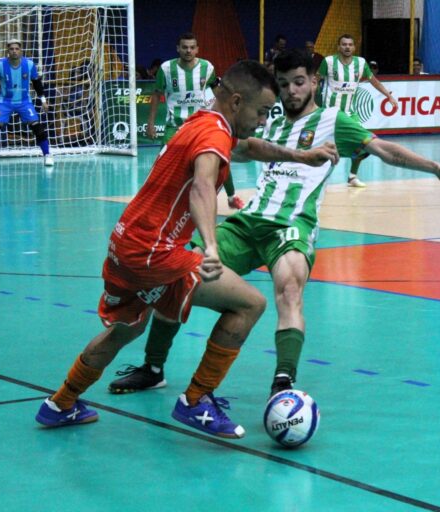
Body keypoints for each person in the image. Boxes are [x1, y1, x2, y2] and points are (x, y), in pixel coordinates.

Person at [107, 49, 440, 399]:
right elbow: (238, 148)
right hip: (248, 222)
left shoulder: (334, 121)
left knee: (289, 289)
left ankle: (283, 385)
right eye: (283, 84)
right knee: (178, 280)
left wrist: (435, 168)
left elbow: (383, 149)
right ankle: (153, 368)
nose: (291, 91)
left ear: (314, 81)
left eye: (298, 82)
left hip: (292, 225)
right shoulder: (269, 120)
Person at [34, 59, 340, 436]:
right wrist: (210, 245)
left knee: (126, 329)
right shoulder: (213, 138)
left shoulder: (202, 121)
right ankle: (196, 400)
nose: (263, 120)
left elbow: (249, 147)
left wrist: (300, 156)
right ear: (236, 102)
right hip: (155, 252)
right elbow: (202, 186)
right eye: (261, 111)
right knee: (250, 304)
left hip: (125, 244)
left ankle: (60, 403)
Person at [147, 33, 244, 209]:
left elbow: (217, 91)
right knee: (161, 164)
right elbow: (156, 95)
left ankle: (232, 196)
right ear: (178, 48)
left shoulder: (207, 67)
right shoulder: (166, 69)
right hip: (174, 126)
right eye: (184, 47)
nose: (188, 51)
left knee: (221, 159)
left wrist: (228, 116)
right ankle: (156, 200)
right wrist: (151, 123)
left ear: (197, 49)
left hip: (202, 126)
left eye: (192, 47)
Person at [316, 34, 397, 188]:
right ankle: (315, 177)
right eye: (344, 44)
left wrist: (388, 96)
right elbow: (316, 80)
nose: (347, 47)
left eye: (350, 44)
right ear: (338, 47)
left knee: (362, 144)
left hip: (349, 113)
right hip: (329, 113)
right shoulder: (328, 62)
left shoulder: (360, 63)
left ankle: (352, 177)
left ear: (354, 47)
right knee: (322, 145)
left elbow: (373, 80)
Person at [0, 39, 53, 168]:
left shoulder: (29, 64)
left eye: (17, 49)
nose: (14, 51)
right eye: (11, 49)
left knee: (37, 127)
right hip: (4, 102)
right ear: (8, 51)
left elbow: (37, 83)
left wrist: (44, 101)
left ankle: (47, 155)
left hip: (24, 102)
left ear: (21, 50)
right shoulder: (0, 65)